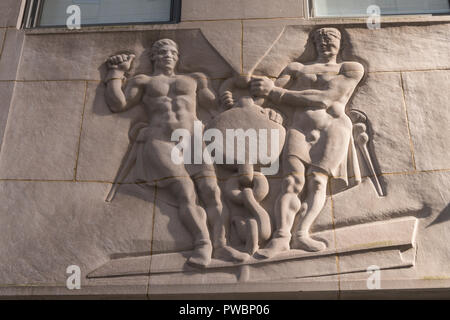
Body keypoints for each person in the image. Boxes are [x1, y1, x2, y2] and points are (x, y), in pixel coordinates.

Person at [104, 39, 241, 267]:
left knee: (211, 191)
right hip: (161, 140)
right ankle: (202, 244)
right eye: (163, 52)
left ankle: (222, 244)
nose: (168, 55)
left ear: (178, 57)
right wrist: (115, 74)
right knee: (185, 191)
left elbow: (216, 107)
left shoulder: (195, 79)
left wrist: (228, 99)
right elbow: (119, 104)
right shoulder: (144, 81)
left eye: (173, 52)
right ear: (154, 57)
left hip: (194, 139)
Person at [250, 28, 364, 257]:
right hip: (300, 128)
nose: (324, 42)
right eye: (319, 39)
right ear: (312, 43)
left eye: (330, 38)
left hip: (332, 128)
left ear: (340, 43)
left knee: (318, 182)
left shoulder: (350, 68)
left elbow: (324, 98)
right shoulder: (296, 68)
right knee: (291, 181)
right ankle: (281, 237)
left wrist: (276, 94)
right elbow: (263, 97)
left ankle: (302, 234)